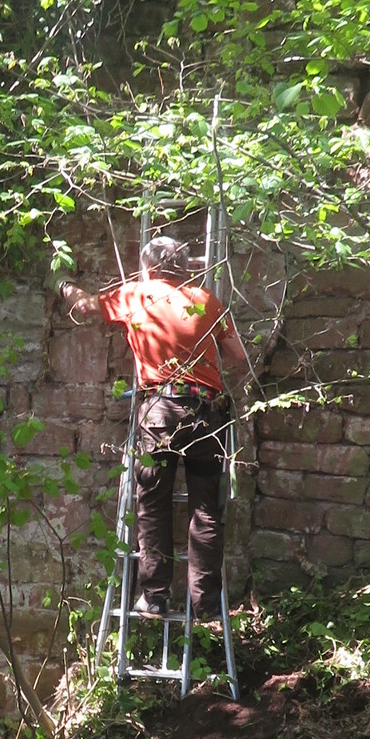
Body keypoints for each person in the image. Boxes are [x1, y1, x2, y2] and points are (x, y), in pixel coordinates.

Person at [62, 235, 250, 617]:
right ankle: (206, 603)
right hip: (207, 414)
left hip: (160, 412)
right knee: (206, 509)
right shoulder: (206, 300)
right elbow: (237, 355)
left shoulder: (137, 295)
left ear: (149, 268)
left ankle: (155, 596)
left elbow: (84, 306)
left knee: (152, 502)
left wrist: (63, 284)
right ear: (185, 267)